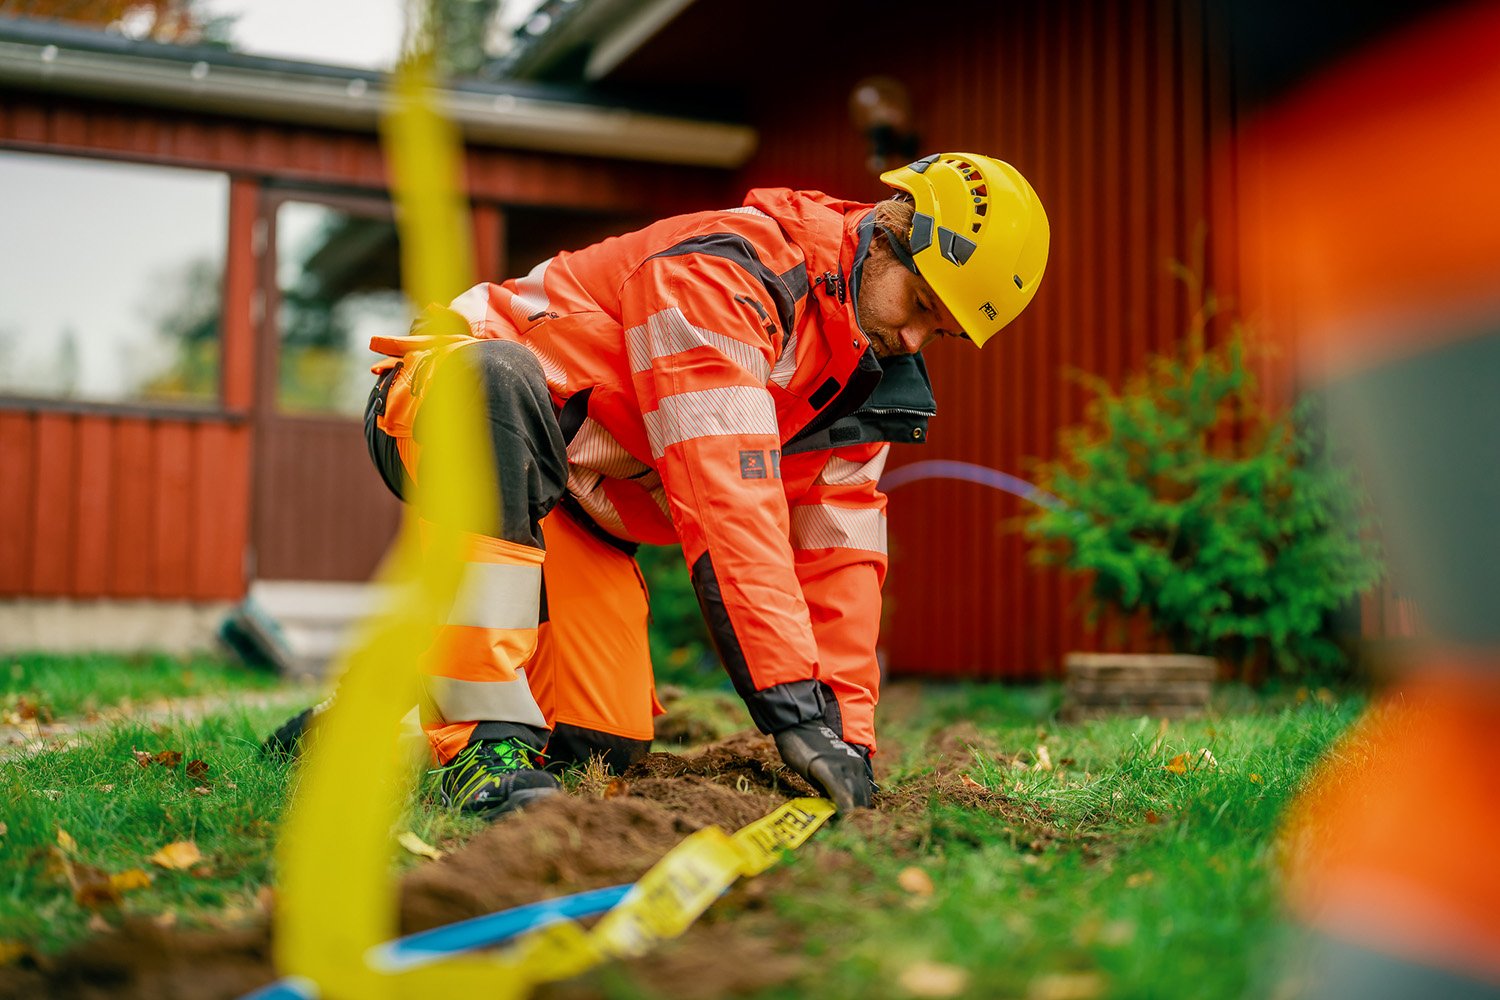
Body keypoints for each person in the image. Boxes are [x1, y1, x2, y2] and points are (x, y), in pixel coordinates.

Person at [269, 152, 1049, 817]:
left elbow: (837, 561)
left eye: (938, 330)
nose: (914, 340)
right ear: (890, 232)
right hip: (458, 400)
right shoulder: (728, 270)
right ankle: (484, 747)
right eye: (918, 304)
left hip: (579, 498)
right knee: (495, 381)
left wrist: (845, 735)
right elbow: (729, 503)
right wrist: (791, 714)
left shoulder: (867, 382)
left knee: (593, 746)